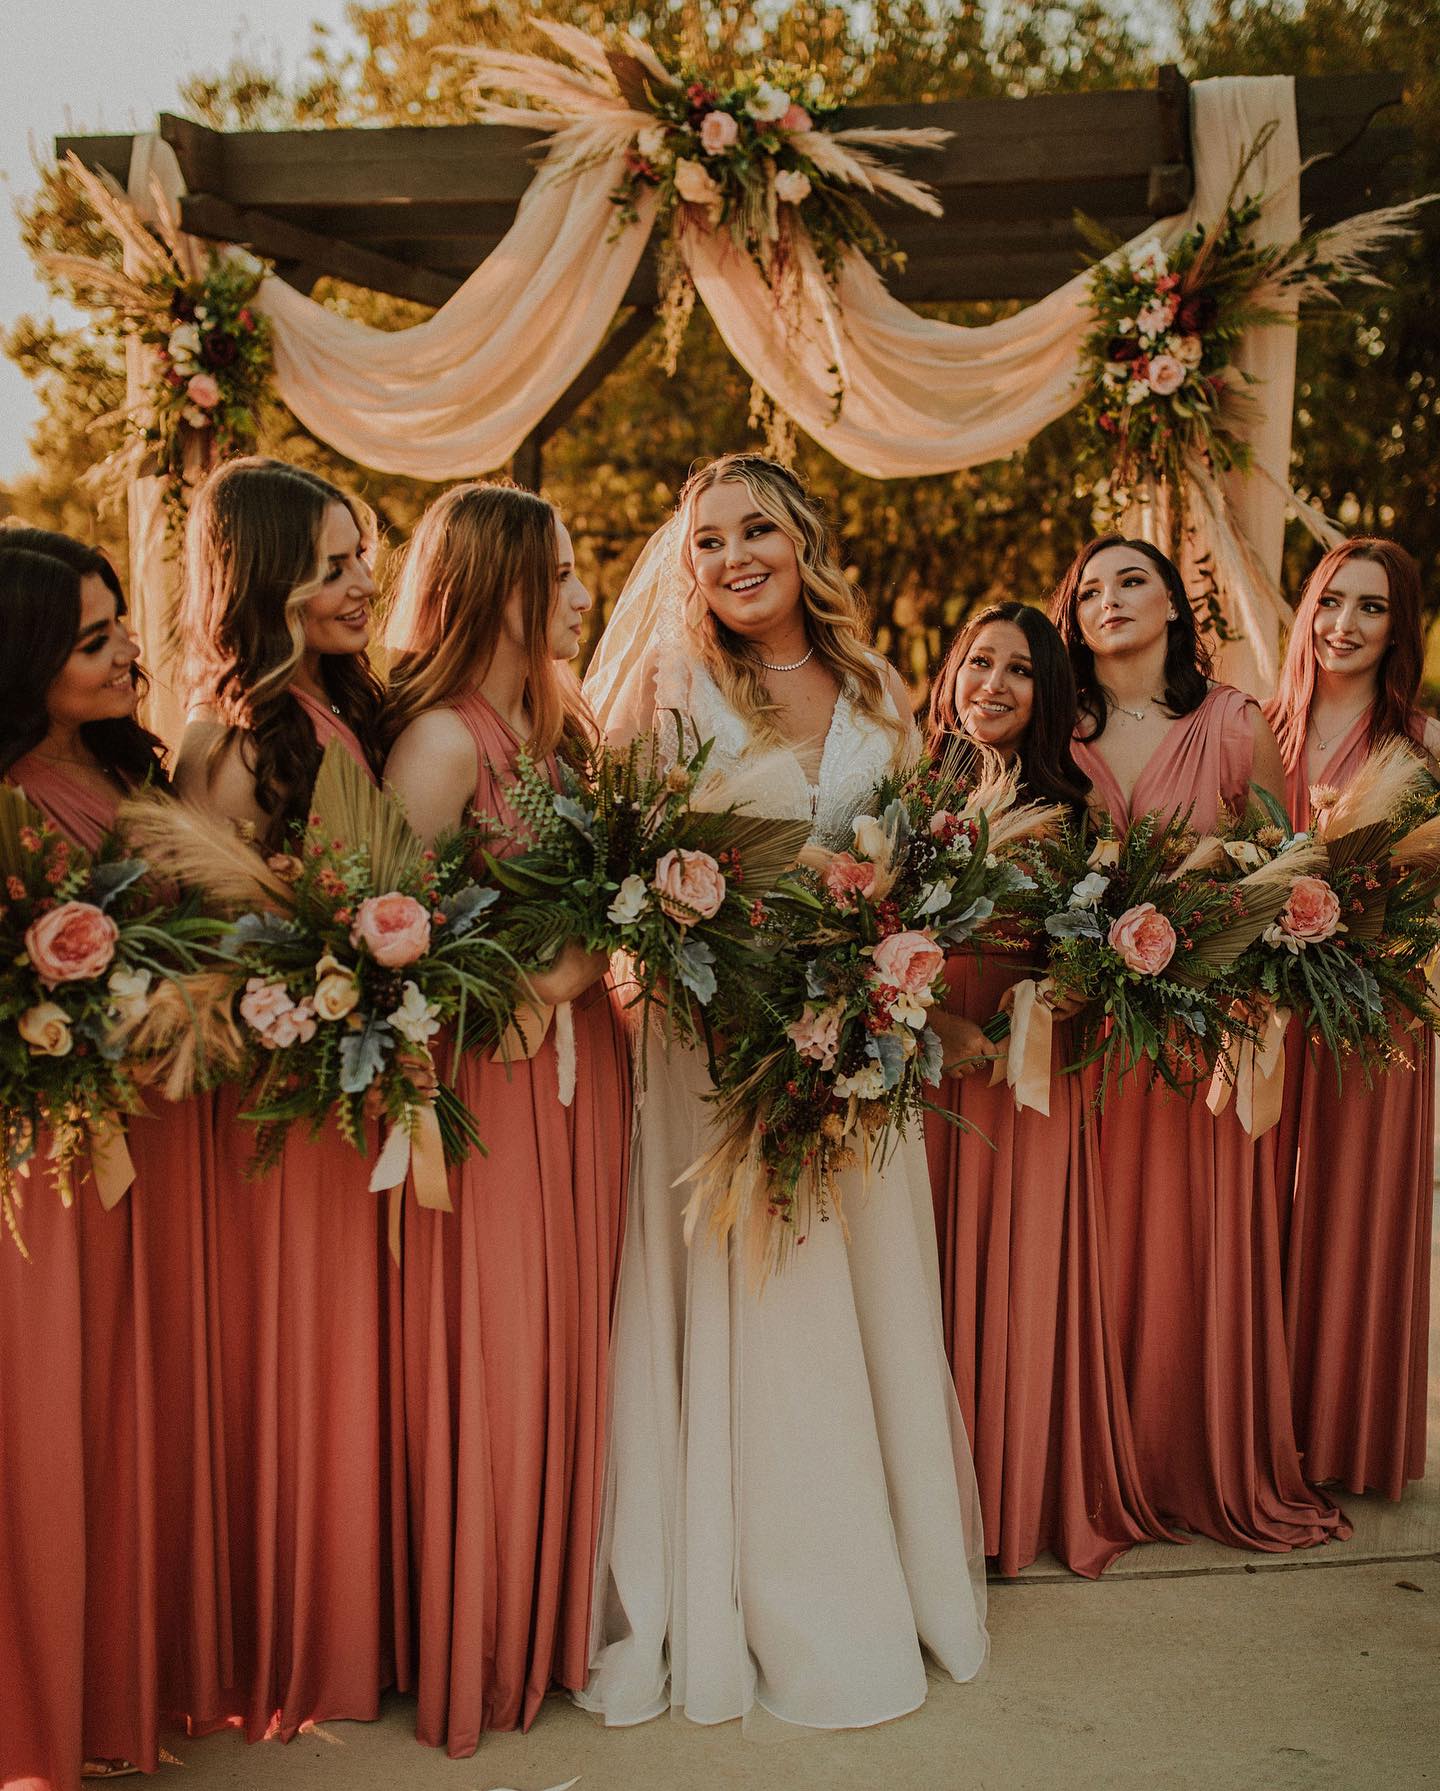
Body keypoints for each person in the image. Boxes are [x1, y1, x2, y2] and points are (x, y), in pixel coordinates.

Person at [577, 454, 987, 1732]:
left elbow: (918, 848)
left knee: (853, 1293)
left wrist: (888, 946)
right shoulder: (667, 686)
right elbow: (635, 861)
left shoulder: (872, 685)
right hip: (720, 1043)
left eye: (758, 529)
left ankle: (881, 1564)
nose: (734, 556)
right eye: (707, 542)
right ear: (684, 565)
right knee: (757, 1297)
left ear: (804, 541)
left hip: (858, 1034)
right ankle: (749, 1583)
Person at [381, 481, 631, 1752]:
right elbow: (394, 953)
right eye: (569, 572)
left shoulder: (548, 730)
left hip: (573, 1084)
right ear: (502, 584)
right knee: (503, 1351)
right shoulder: (440, 745)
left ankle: (548, 1618)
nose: (586, 594)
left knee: (563, 1346)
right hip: (492, 1089)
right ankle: (480, 1632)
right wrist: (556, 974)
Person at [174, 457, 409, 1741]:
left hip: (359, 1076)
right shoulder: (230, 734)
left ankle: (359, 1617)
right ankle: (301, 1642)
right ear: (265, 581)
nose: (361, 581)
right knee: (303, 1358)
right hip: (283, 1100)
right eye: (329, 565)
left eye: (362, 554)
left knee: (360, 1357)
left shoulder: (343, 712)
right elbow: (209, 939)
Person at [1050, 535, 1347, 1551]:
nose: (1110, 600)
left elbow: (1283, 866)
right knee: (1087, 1251)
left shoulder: (1232, 723)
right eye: (1089, 589)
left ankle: (1193, 1459)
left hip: (1196, 1037)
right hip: (1083, 1034)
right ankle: (1088, 1466)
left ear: (1174, 604)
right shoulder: (1059, 730)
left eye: (1133, 580)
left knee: (1185, 1247)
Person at [0, 533, 223, 1786]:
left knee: (134, 1401)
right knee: (56, 1409)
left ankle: (125, 1683)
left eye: (122, 623)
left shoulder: (121, 766)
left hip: (154, 1132)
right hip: (61, 1156)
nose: (130, 647)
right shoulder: (15, 801)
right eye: (93, 641)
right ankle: (40, 1711)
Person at [923, 602, 1167, 1576]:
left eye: (1019, 671)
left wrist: (1043, 1006)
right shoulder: (912, 785)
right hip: (920, 1049)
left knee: (1011, 1271)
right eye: (978, 662)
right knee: (925, 1273)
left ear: (1049, 692)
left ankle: (1008, 1502)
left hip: (1021, 1066)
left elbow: (1102, 949)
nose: (992, 684)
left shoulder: (1074, 804)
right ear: (951, 675)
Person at [1265, 537, 1437, 1499]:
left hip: (1377, 1006)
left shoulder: (1422, 746)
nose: (1345, 625)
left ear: (1398, 625)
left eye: (1372, 608)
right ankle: (1251, 1422)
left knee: (1355, 1208)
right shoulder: (1255, 729)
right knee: (1254, 1208)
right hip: (1262, 1002)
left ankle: (1343, 1439)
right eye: (1332, 601)